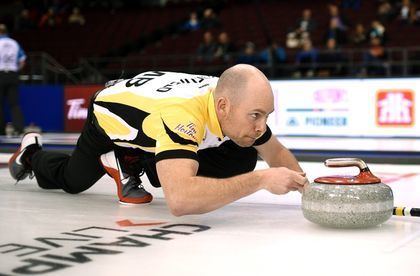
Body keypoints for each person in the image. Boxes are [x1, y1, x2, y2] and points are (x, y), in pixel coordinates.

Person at [9, 64, 308, 216]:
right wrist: (261, 180)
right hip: (108, 116)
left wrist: (307, 188)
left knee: (243, 154)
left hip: (151, 111)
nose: (260, 126)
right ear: (223, 106)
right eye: (256, 116)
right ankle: (31, 155)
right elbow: (179, 200)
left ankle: (137, 159)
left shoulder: (231, 97)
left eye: (265, 117)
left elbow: (275, 150)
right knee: (74, 180)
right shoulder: (183, 115)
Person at [0, 24, 26, 136]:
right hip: (12, 74)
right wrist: (15, 70)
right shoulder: (15, 43)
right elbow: (22, 60)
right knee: (14, 104)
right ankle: (19, 129)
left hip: (0, 74)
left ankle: (0, 130)